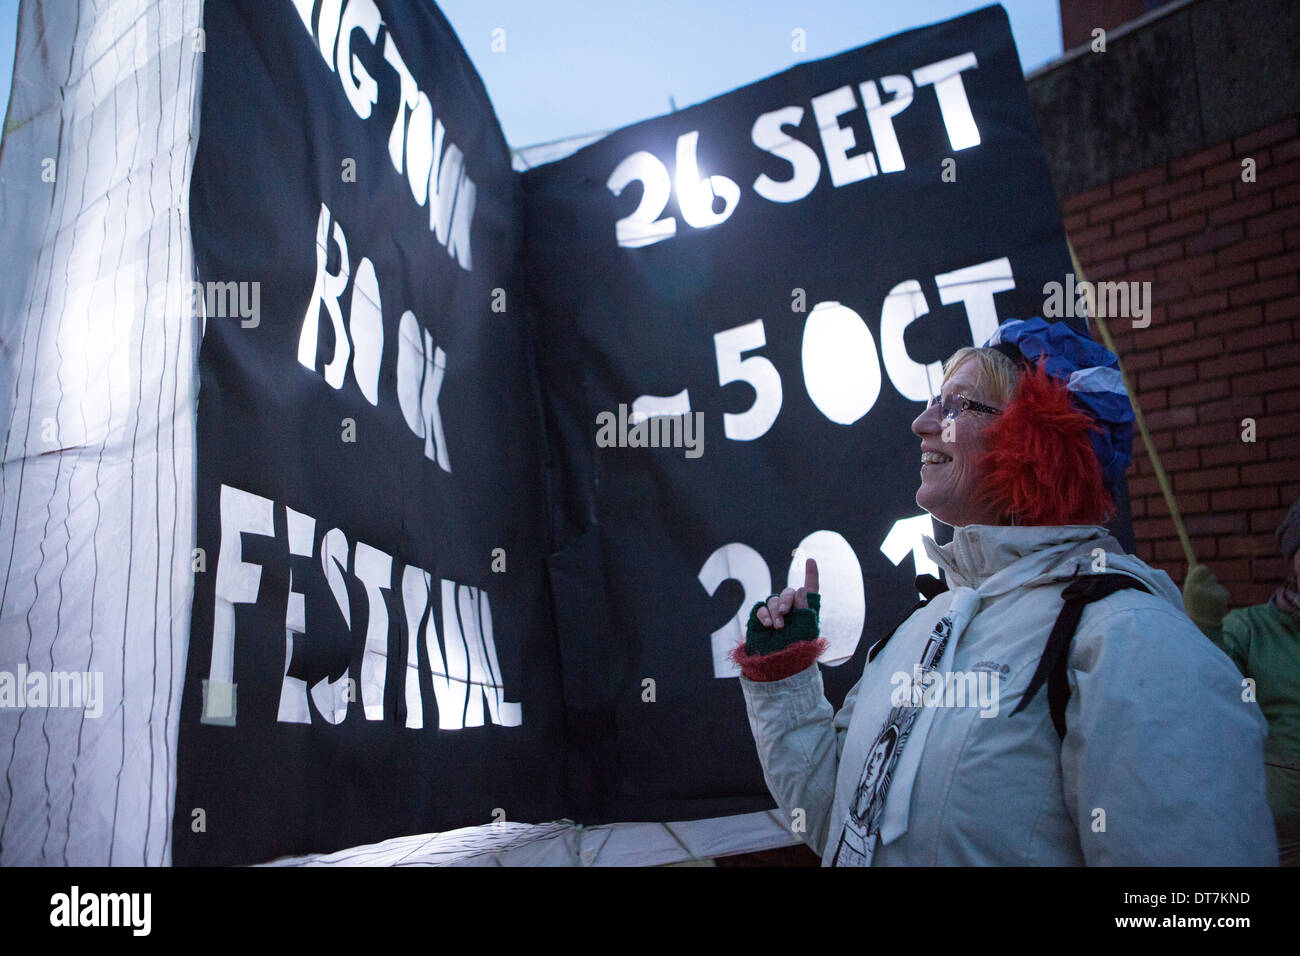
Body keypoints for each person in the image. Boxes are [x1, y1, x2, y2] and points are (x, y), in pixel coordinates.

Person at [732, 317, 1277, 866]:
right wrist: (785, 680)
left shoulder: (1133, 642)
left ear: (1035, 439)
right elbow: (841, 828)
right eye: (932, 402)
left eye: (956, 406)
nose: (921, 422)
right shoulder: (921, 628)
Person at [1182, 498, 1300, 866]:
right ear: (1293, 559)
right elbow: (1208, 709)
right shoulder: (1248, 632)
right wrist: (1203, 629)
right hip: (1280, 843)